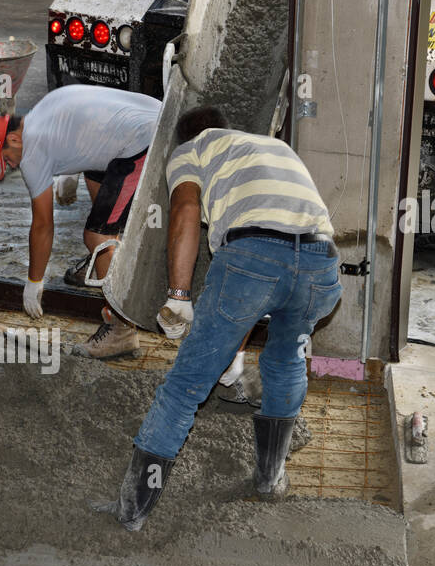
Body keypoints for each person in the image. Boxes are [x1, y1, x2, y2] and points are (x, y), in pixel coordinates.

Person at [109, 105, 343, 529]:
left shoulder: (192, 150)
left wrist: (179, 296)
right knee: (284, 361)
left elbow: (183, 214)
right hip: (321, 264)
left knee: (184, 386)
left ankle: (131, 513)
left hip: (253, 256)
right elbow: (283, 245)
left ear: (187, 137)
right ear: (227, 128)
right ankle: (270, 479)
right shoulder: (274, 146)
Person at [0, 84, 161, 358]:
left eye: (7, 159)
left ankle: (122, 330)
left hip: (144, 140)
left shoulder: (32, 151)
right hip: (160, 115)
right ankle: (109, 261)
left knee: (96, 236)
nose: (13, 166)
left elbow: (42, 225)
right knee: (94, 181)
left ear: (14, 140)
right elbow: (89, 122)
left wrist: (34, 280)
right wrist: (69, 171)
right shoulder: (45, 107)